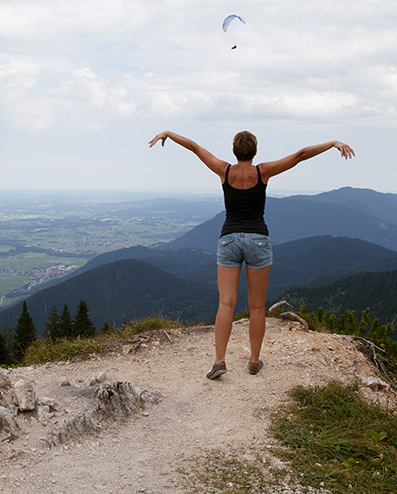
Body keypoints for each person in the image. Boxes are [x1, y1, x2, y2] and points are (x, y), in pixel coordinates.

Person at [149, 130, 355, 379]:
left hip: (229, 240)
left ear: (234, 152)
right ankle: (254, 361)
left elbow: (194, 147)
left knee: (226, 302)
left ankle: (219, 361)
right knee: (257, 306)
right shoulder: (263, 172)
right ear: (255, 152)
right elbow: (300, 155)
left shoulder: (224, 171)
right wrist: (333, 142)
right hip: (258, 240)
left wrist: (169, 134)